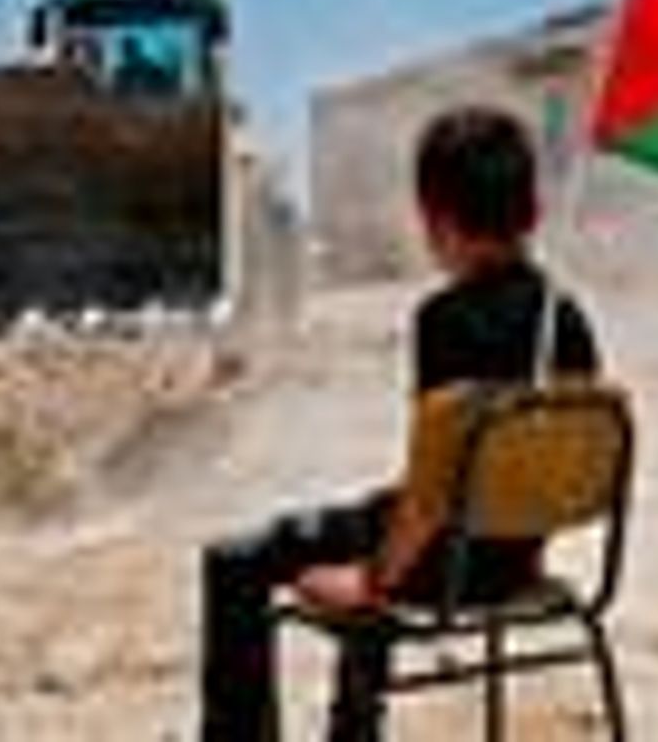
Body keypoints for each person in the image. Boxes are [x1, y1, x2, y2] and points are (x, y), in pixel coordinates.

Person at [200, 106, 601, 741]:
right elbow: (552, 465)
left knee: (238, 559)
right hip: (516, 557)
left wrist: (373, 581)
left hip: (444, 566)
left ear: (436, 216)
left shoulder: (443, 319)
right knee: (383, 519)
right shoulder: (568, 317)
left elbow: (430, 495)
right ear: (531, 209)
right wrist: (515, 552)